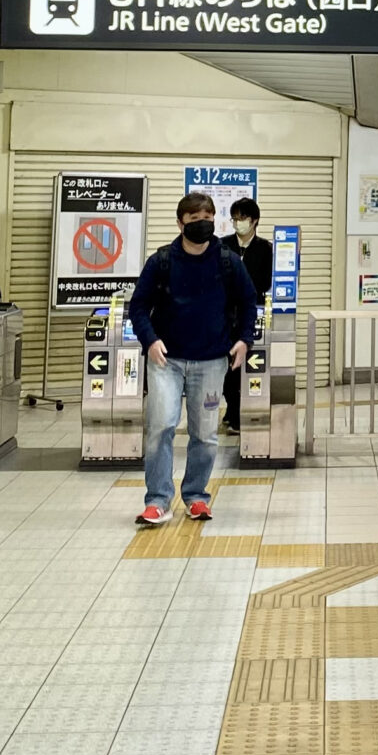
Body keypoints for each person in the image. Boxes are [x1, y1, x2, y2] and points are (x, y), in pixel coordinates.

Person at [126, 191, 255, 526]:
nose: (202, 225)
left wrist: (244, 339)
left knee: (206, 434)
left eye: (208, 219)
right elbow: (137, 307)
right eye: (195, 220)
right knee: (161, 427)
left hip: (212, 361)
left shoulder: (228, 261)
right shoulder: (162, 261)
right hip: (165, 361)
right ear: (181, 222)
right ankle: (157, 501)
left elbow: (248, 302)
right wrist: (150, 340)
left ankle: (196, 497)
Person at [218, 197, 273, 438]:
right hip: (225, 312)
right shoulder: (222, 245)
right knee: (226, 366)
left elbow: (265, 282)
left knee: (249, 363)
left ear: (254, 221)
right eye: (235, 218)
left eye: (243, 218)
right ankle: (232, 407)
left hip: (253, 311)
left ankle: (241, 410)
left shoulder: (265, 248)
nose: (238, 223)